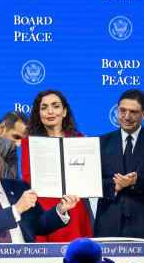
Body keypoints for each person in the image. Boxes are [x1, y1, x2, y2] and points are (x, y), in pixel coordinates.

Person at [0, 144, 76, 242]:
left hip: (25, 256)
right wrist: (16, 209)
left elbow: (40, 224)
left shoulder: (20, 187)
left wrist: (60, 210)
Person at [19, 89, 93, 241]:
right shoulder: (29, 142)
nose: (50, 111)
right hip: (43, 210)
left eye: (55, 106)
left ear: (64, 112)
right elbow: (27, 178)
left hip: (73, 206)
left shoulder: (79, 140)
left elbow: (87, 180)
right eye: (44, 107)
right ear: (39, 113)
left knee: (76, 252)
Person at [94, 89, 144, 240]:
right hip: (108, 224)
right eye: (122, 111)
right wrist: (114, 186)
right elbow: (90, 182)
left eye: (133, 112)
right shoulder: (100, 142)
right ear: (117, 111)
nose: (126, 117)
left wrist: (136, 181)